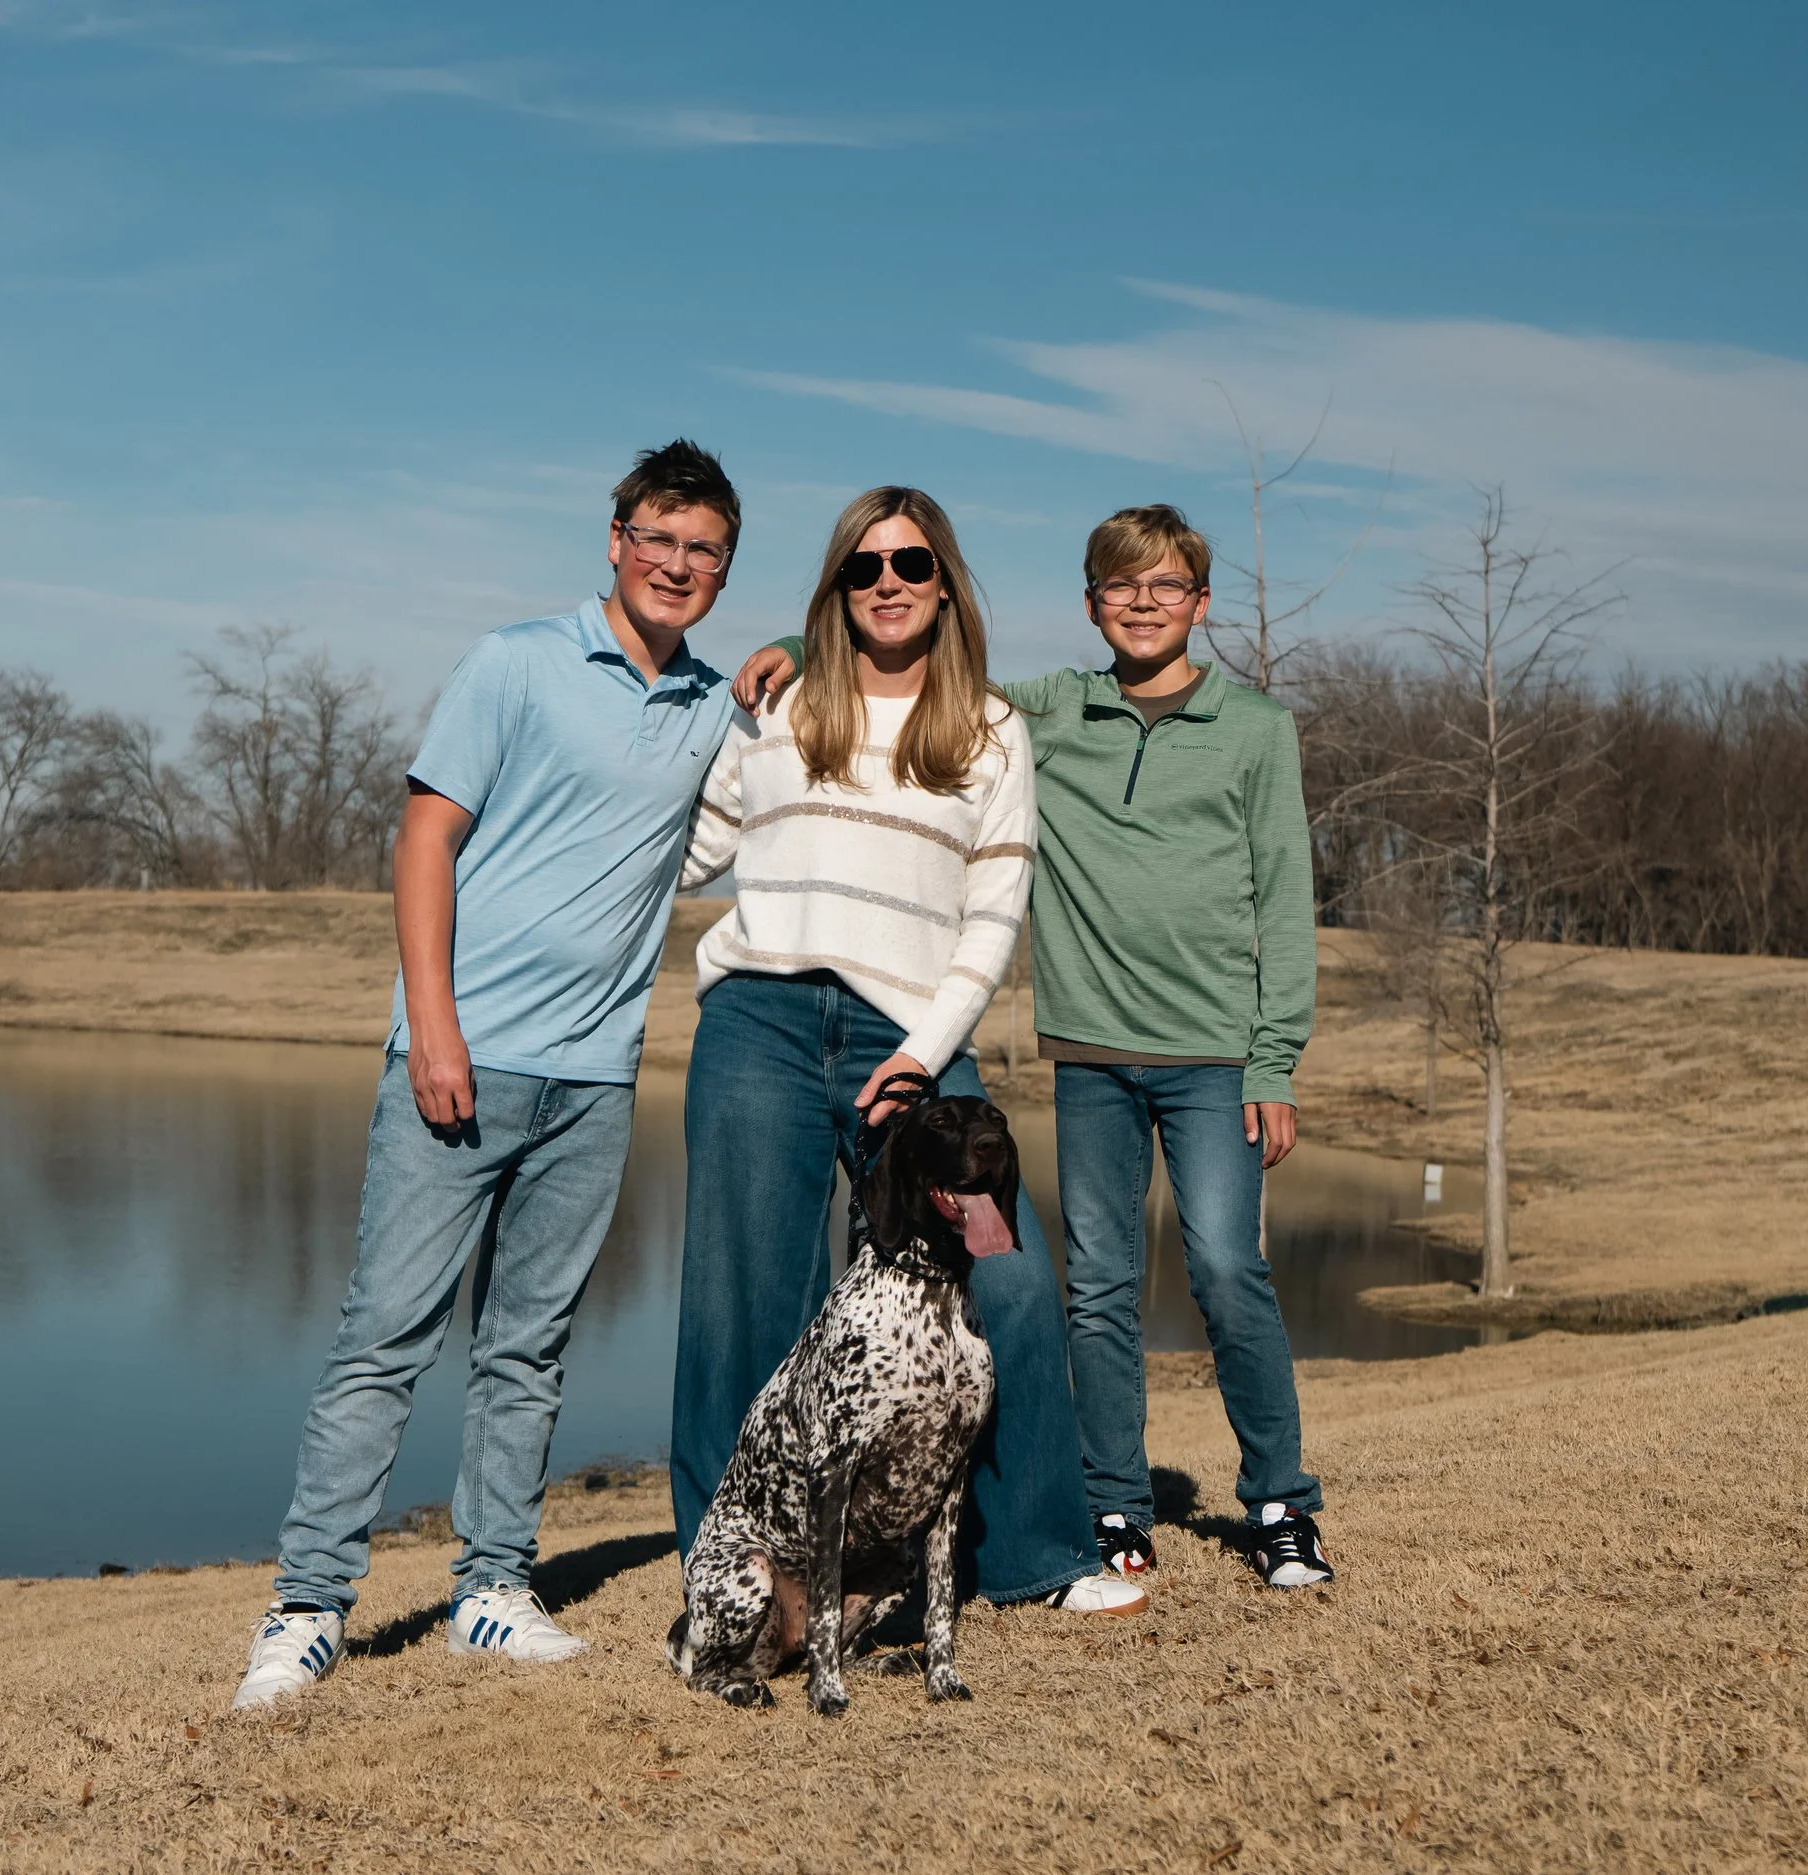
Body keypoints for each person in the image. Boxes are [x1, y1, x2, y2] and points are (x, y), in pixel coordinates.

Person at [233, 441, 746, 1710]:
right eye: (660, 540)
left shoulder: (713, 708)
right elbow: (425, 840)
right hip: (460, 1063)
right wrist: (435, 1026)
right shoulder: (514, 661)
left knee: (529, 1347)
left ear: (722, 573)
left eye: (706, 553)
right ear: (616, 539)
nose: (678, 566)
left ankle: (491, 1591)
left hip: (596, 1082)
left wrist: (776, 678)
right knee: (384, 1341)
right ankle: (306, 1608)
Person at [736, 503, 1331, 1590]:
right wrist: (791, 641)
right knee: (1097, 1288)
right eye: (1119, 587)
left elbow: (1286, 907)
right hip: (1090, 1054)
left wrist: (1273, 1060)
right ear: (1092, 604)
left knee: (1225, 1271)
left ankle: (1282, 1502)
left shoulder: (1255, 730)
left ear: (1199, 604)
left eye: (1165, 587)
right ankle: (1111, 1507)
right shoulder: (1047, 711)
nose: (1141, 605)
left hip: (1212, 1060)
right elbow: (912, 644)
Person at [673, 485, 1147, 1617]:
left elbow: (994, 914)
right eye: (864, 567)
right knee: (744, 1299)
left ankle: (1037, 1556)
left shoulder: (988, 730)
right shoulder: (776, 708)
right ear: (837, 586)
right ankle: (734, 1570)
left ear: (945, 585)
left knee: (1008, 1284)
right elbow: (687, 852)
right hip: (761, 1024)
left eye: (912, 565)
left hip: (910, 1039)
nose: (888, 583)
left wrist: (927, 1052)